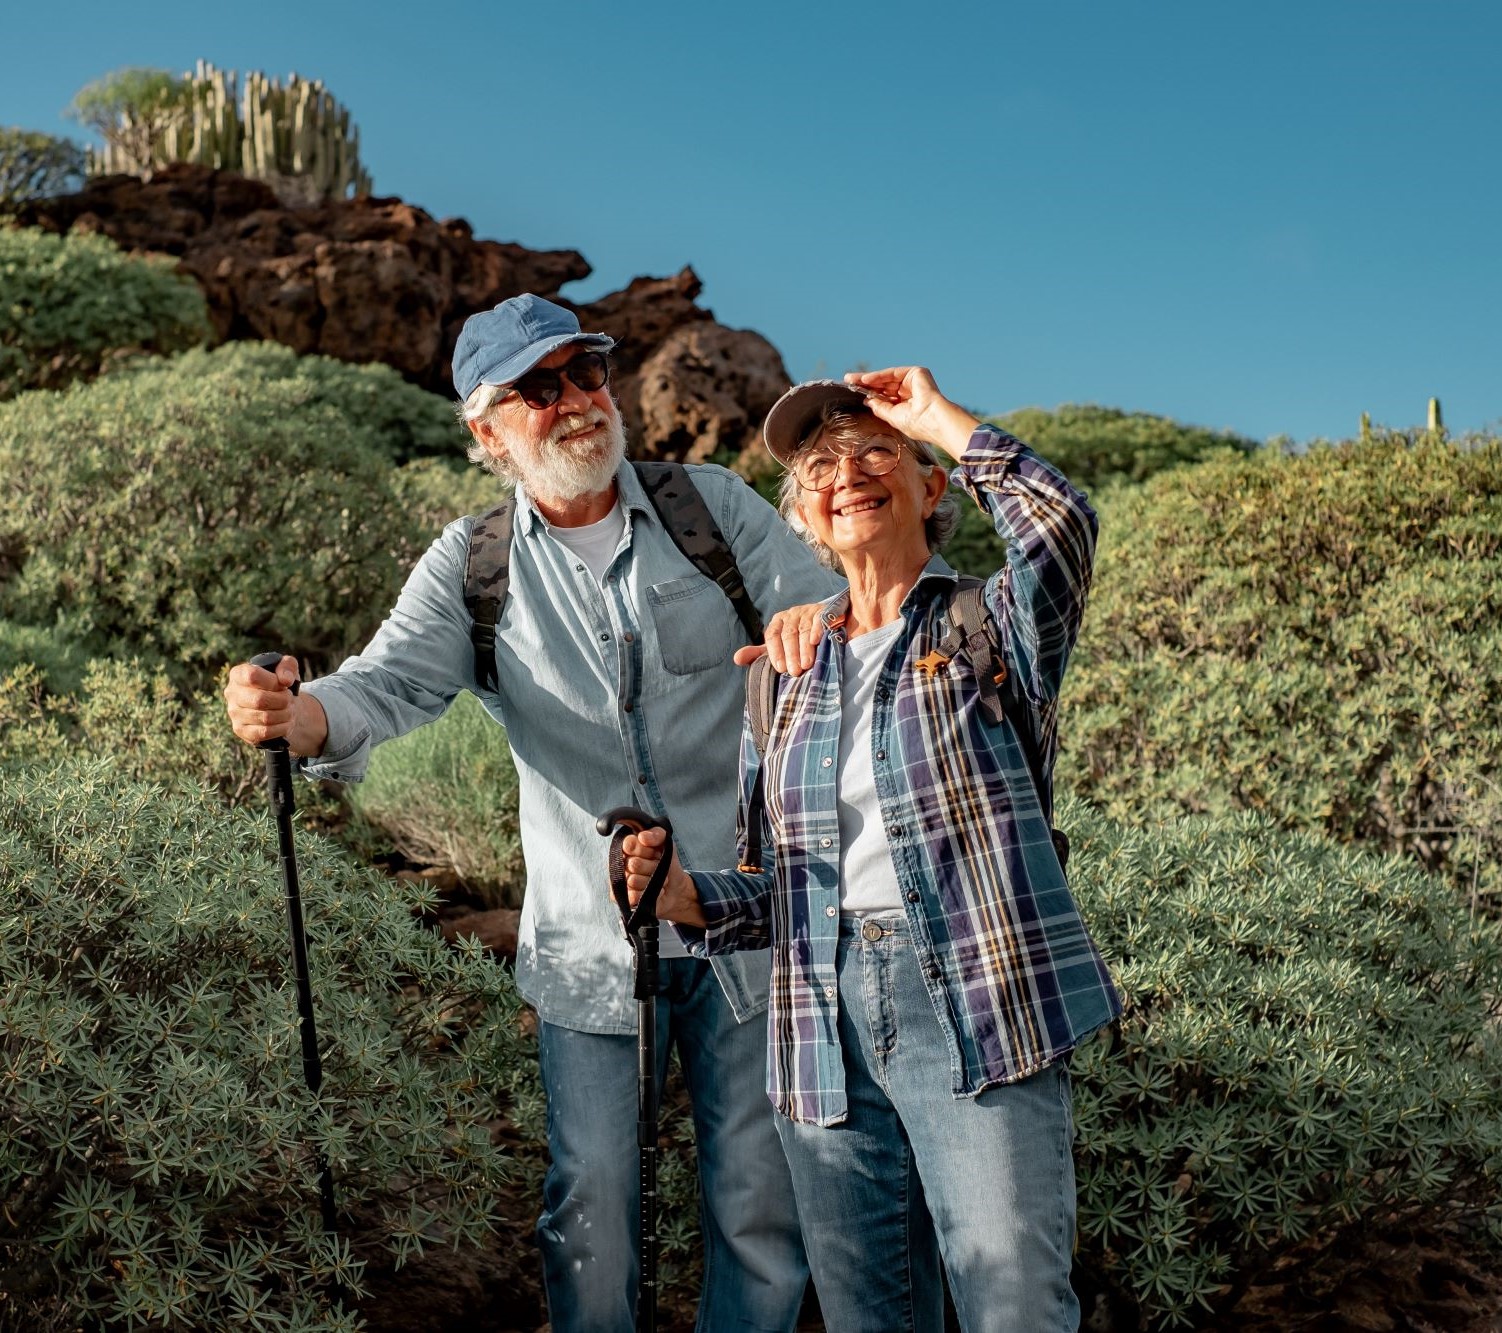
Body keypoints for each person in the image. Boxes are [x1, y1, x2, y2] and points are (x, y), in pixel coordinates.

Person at [223, 294, 838, 1333]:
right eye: (535, 388)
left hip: (747, 929)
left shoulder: (712, 511)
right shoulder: (472, 566)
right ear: (484, 430)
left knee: (761, 1209)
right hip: (587, 950)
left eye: (584, 373)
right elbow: (380, 688)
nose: (573, 402)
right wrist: (295, 716)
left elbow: (828, 619)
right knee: (589, 1209)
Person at [621, 367, 1123, 1332]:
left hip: (979, 997)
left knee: (1013, 1305)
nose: (846, 472)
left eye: (875, 453)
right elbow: (773, 889)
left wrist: (931, 416)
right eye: (818, 467)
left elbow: (1061, 523)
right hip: (819, 1024)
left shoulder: (990, 625)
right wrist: (680, 892)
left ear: (933, 490)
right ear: (803, 520)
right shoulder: (782, 677)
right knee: (869, 1318)